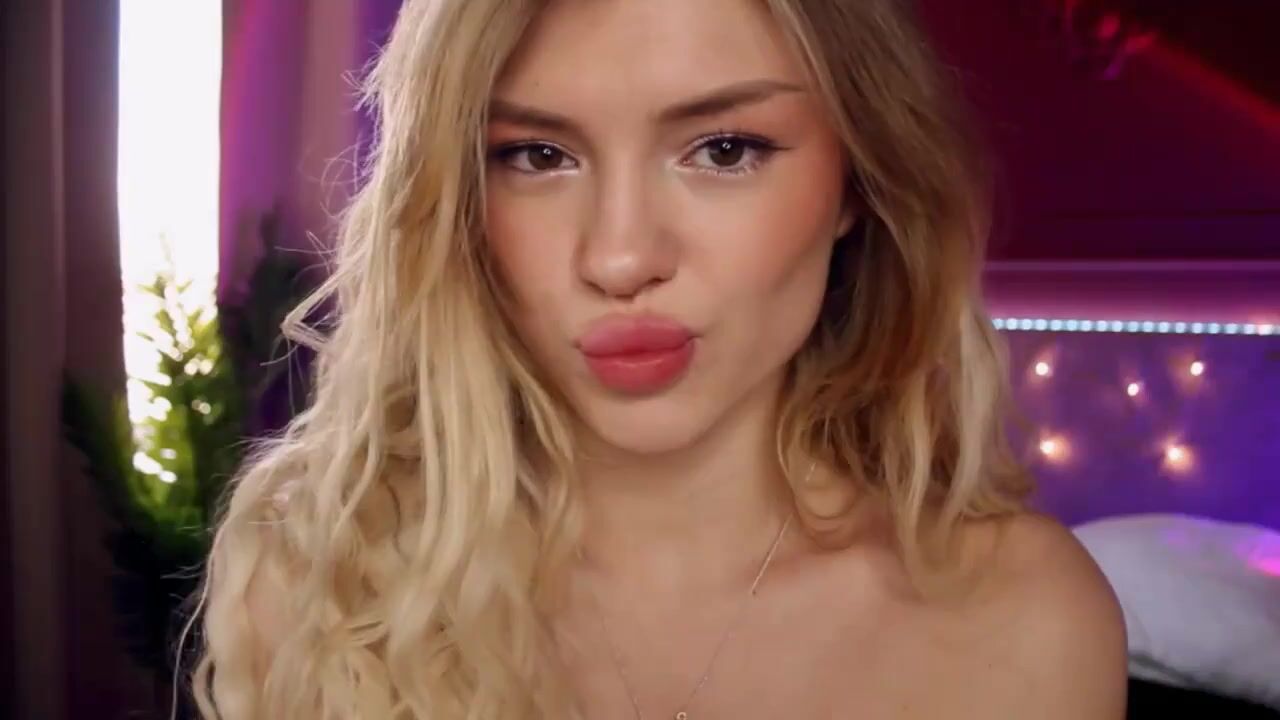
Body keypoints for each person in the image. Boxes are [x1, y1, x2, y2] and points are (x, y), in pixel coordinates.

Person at [192, 0, 1128, 717]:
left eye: (724, 150)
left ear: (857, 180)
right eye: (536, 155)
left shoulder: (1025, 621)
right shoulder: (322, 586)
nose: (620, 258)